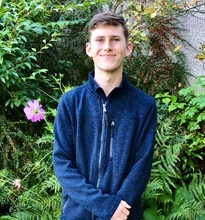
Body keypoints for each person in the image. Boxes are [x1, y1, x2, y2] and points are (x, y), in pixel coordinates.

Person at [53, 11, 157, 220]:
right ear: (89, 49)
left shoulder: (144, 106)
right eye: (100, 39)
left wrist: (117, 209)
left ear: (128, 48)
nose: (107, 46)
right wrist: (105, 206)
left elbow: (142, 165)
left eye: (115, 39)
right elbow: (62, 163)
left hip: (123, 216)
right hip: (76, 215)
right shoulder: (71, 103)